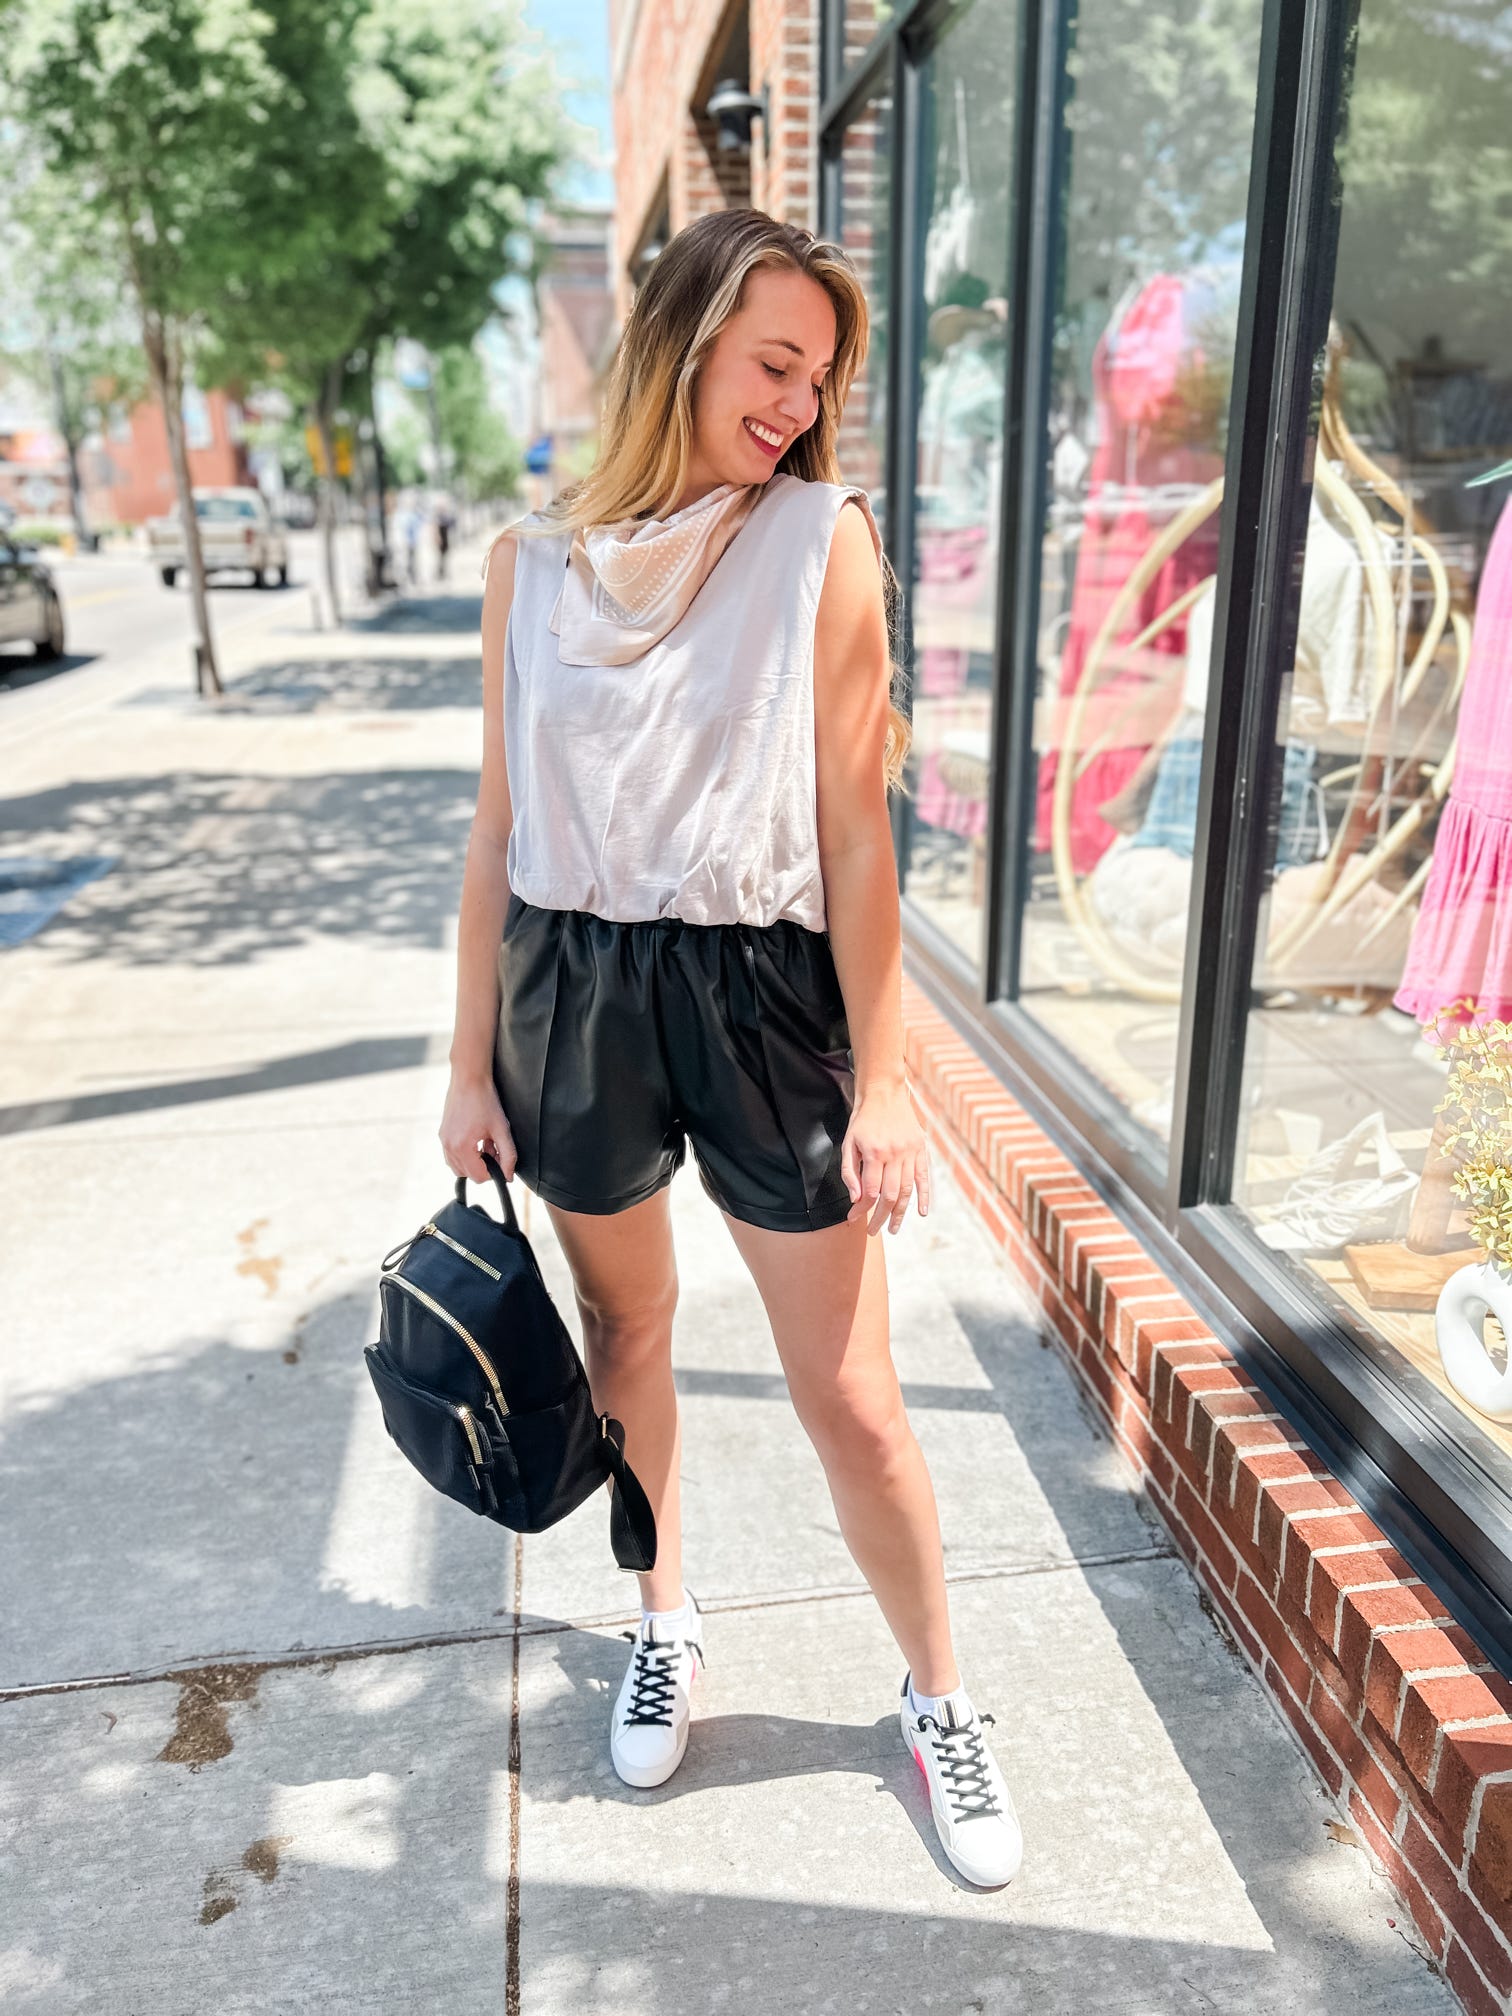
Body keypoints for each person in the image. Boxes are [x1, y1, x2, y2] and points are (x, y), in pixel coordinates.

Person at [440, 208, 1022, 1889]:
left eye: (816, 377)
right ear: (684, 338)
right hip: (571, 986)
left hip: (760, 991)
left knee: (850, 1392)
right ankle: (666, 1617)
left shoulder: (813, 540)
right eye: (773, 363)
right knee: (627, 1330)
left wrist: (890, 1077)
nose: (793, 402)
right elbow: (495, 830)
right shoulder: (528, 565)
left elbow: (856, 834)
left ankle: (938, 1700)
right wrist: (469, 1063)